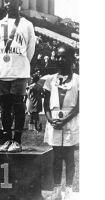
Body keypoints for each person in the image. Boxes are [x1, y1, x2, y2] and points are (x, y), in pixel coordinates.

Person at [0, 0, 36, 152]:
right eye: (6, 1)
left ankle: (17, 140)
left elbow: (30, 49)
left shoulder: (27, 24)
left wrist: (21, 64)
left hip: (20, 71)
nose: (8, 4)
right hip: (3, 71)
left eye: (12, 1)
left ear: (19, 3)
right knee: (4, 107)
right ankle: (7, 139)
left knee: (18, 106)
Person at [43, 45, 79, 200]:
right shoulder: (50, 79)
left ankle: (69, 189)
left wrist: (65, 120)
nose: (59, 60)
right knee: (56, 157)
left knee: (69, 157)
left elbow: (79, 106)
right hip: (54, 122)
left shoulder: (79, 80)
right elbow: (45, 105)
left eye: (64, 57)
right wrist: (51, 120)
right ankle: (57, 189)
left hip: (70, 121)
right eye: (57, 56)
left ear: (72, 59)